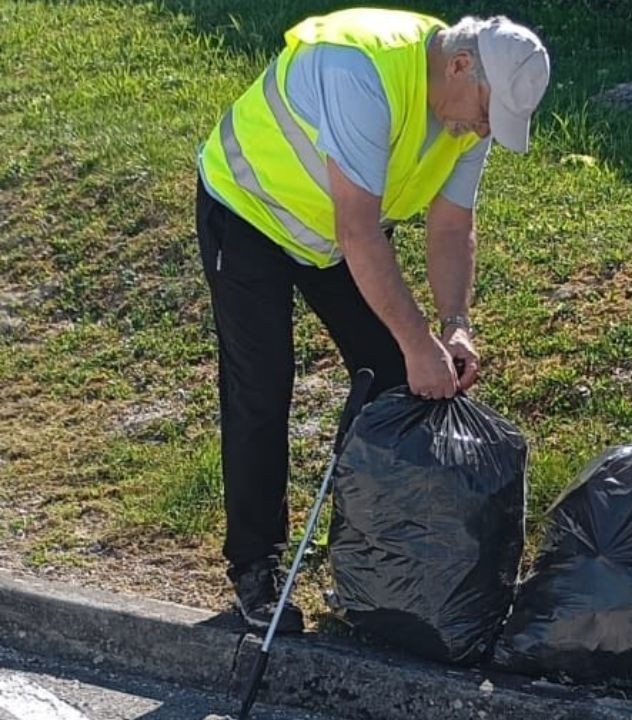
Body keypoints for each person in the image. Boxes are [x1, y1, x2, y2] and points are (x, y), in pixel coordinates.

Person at [195, 7, 549, 631]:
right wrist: (417, 342)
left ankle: (369, 557)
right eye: (489, 112)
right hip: (250, 211)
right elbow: (358, 230)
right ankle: (256, 566)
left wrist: (453, 324)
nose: (485, 129)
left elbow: (451, 224)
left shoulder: (465, 114)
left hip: (332, 237)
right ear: (461, 66)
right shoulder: (361, 68)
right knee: (263, 386)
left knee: (391, 375)